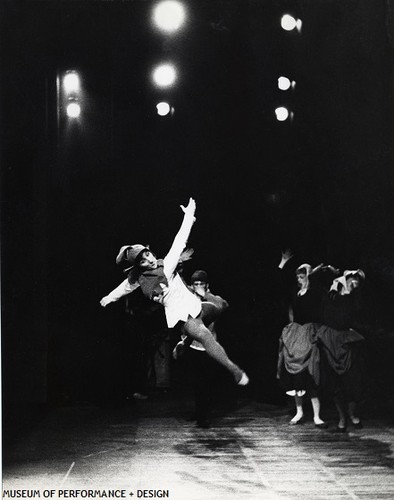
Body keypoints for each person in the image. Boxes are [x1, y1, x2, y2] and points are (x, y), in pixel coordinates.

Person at [100, 198, 249, 386]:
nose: (150, 260)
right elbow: (125, 287)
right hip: (183, 318)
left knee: (221, 305)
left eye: (148, 254)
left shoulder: (165, 265)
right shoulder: (140, 279)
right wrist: (108, 298)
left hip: (196, 305)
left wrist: (189, 216)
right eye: (144, 261)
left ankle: (185, 341)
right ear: (139, 266)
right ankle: (235, 371)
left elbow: (180, 240)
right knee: (204, 336)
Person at [277, 254, 334, 428]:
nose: (299, 279)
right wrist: (283, 264)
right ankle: (299, 412)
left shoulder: (315, 292)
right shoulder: (295, 292)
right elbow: (278, 287)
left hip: (310, 332)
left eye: (302, 276)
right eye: (297, 277)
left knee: (311, 374)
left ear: (308, 277)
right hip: (296, 333)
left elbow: (325, 290)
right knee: (296, 377)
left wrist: (317, 273)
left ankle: (317, 416)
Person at [179, 269, 229, 428]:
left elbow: (224, 305)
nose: (198, 286)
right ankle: (198, 411)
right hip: (193, 346)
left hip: (209, 346)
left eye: (202, 284)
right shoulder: (189, 299)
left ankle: (204, 415)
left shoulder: (214, 299)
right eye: (196, 284)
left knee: (206, 383)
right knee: (195, 382)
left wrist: (205, 294)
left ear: (207, 285)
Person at [319, 269, 367, 432]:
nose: (354, 282)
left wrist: (350, 290)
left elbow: (355, 312)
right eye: (351, 279)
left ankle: (352, 414)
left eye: (357, 280)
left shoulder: (356, 298)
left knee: (355, 384)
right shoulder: (333, 296)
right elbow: (328, 311)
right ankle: (341, 418)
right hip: (332, 341)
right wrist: (335, 285)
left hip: (349, 342)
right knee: (336, 384)